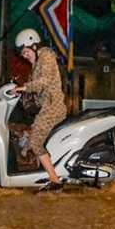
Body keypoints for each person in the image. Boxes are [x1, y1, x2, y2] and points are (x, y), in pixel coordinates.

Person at [11, 28, 67, 191]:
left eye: (25, 51)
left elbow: (44, 81)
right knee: (35, 138)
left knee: (35, 142)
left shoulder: (46, 56)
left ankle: (55, 180)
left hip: (52, 107)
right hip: (46, 108)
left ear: (33, 45)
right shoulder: (37, 63)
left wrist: (24, 87)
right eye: (22, 53)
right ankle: (43, 174)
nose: (24, 55)